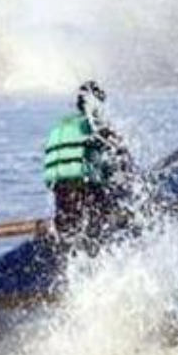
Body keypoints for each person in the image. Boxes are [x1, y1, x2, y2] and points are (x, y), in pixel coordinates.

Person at [42, 80, 137, 250]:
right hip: (86, 192)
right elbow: (122, 164)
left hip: (61, 195)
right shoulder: (98, 126)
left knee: (70, 232)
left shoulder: (60, 127)